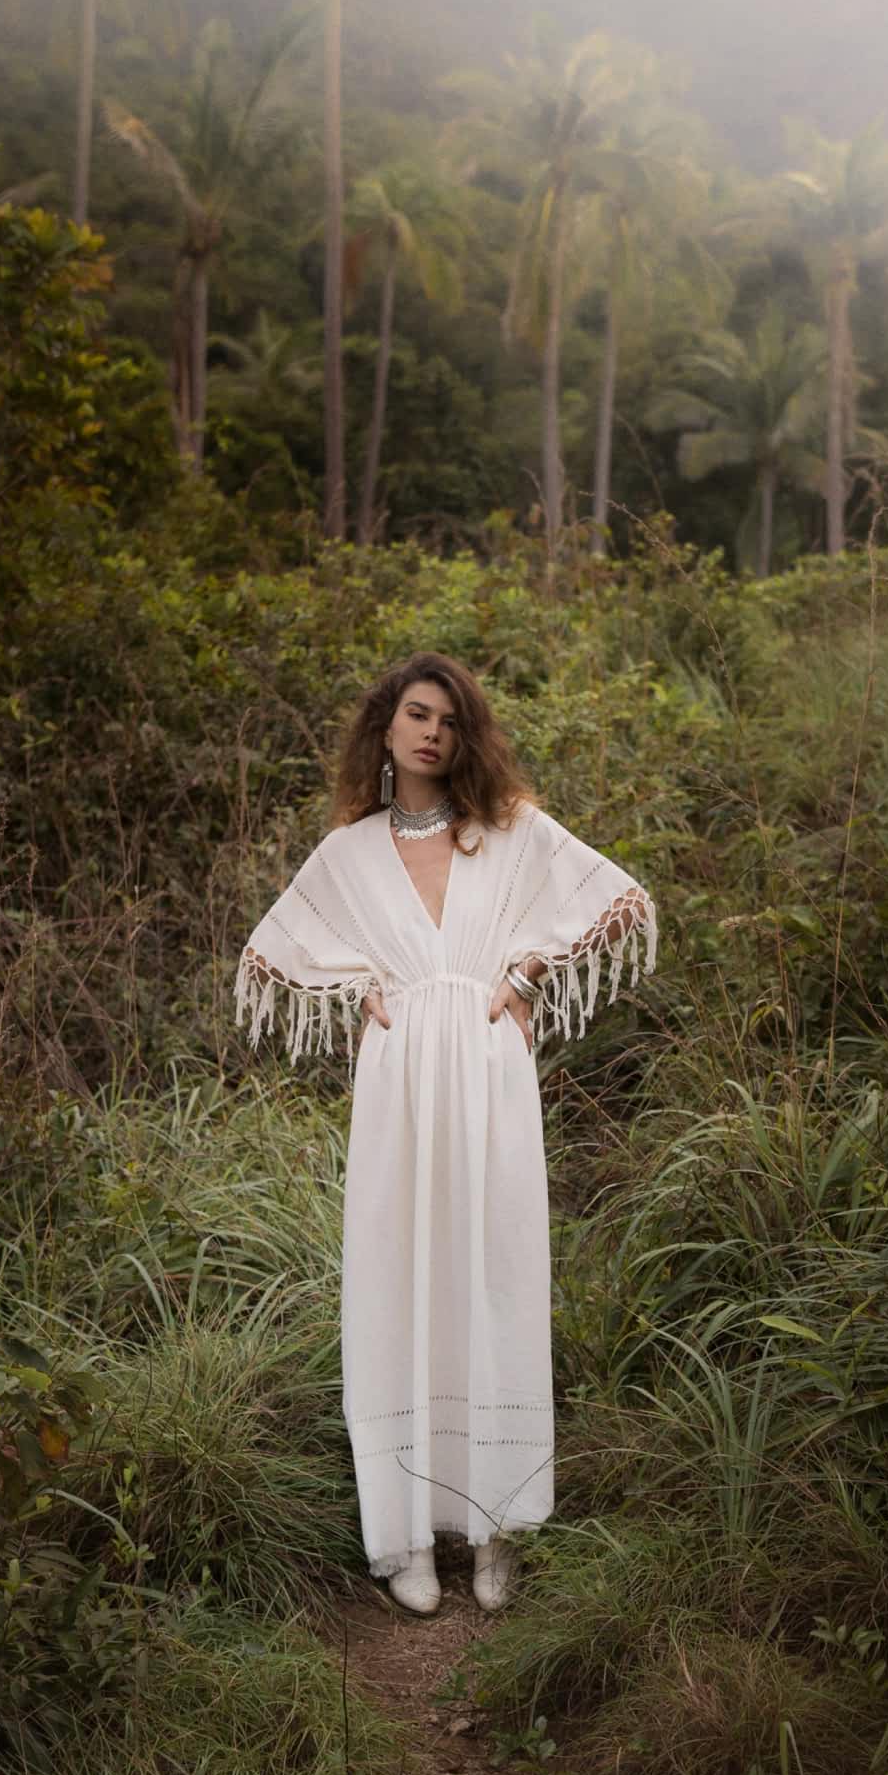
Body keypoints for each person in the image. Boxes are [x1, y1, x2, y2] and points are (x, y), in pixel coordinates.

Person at [235, 652, 656, 1615]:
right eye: (416, 715)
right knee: (400, 1280)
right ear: (384, 728)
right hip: (397, 1088)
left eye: (450, 721)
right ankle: (408, 1535)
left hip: (488, 1067)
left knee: (495, 1275)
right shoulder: (347, 852)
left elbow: (615, 898)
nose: (432, 733)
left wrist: (527, 977)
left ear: (465, 737)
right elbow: (272, 953)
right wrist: (356, 989)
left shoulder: (506, 834)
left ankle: (501, 1524)